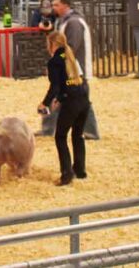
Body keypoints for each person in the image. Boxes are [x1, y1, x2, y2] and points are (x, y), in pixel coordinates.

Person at [36, 0, 100, 140]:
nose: (53, 8)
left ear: (66, 6)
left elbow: (71, 46)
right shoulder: (65, 21)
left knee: (80, 100)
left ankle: (91, 132)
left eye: (56, 5)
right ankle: (48, 129)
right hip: (70, 67)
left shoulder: (74, 23)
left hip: (75, 69)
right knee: (61, 97)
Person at [37, 31, 90, 187]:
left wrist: (45, 103)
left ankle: (66, 174)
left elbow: (55, 86)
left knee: (60, 137)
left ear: (52, 44)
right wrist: (60, 99)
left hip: (72, 103)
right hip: (84, 101)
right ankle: (80, 171)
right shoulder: (70, 55)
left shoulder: (54, 61)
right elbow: (74, 81)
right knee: (77, 135)